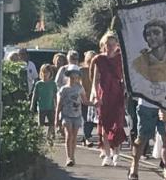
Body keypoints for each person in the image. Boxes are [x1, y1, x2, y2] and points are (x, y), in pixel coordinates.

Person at [90, 32, 128, 166]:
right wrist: (96, 96)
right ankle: (107, 155)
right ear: (103, 45)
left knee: (118, 124)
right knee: (105, 125)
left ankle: (116, 152)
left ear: (116, 45)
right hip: (104, 95)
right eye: (108, 44)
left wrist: (126, 92)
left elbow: (125, 77)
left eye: (113, 44)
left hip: (117, 94)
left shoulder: (121, 58)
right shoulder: (99, 59)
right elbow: (95, 81)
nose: (110, 47)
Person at [55, 64, 86, 167]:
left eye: (76, 76)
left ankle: (72, 156)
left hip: (77, 115)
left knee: (74, 136)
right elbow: (59, 105)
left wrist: (94, 103)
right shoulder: (64, 89)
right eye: (72, 76)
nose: (74, 78)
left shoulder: (80, 88)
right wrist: (56, 119)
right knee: (69, 135)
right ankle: (68, 157)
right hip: (66, 115)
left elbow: (85, 101)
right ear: (68, 76)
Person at [31, 64, 59, 146]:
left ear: (50, 73)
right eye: (43, 72)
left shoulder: (53, 84)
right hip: (41, 107)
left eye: (47, 72)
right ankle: (39, 139)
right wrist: (32, 105)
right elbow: (35, 95)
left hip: (51, 107)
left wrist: (57, 105)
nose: (45, 74)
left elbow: (55, 95)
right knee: (41, 124)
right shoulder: (38, 84)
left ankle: (48, 136)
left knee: (52, 123)